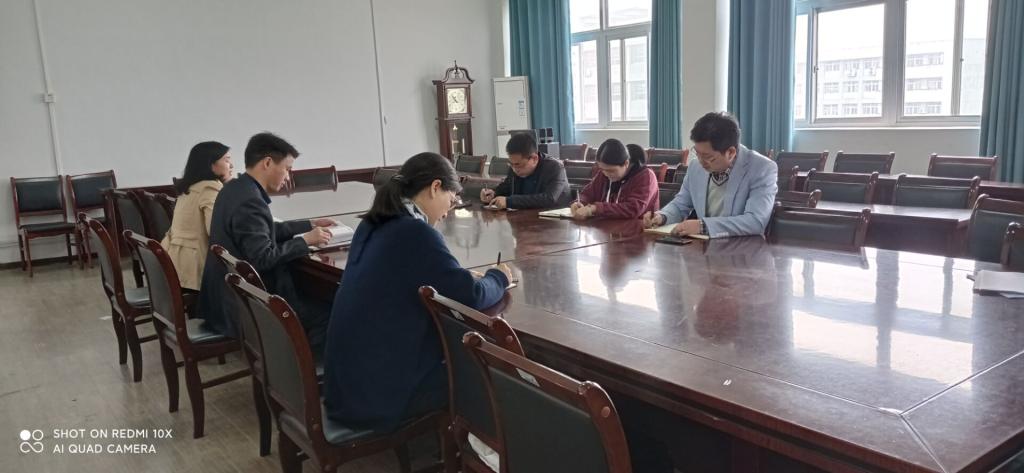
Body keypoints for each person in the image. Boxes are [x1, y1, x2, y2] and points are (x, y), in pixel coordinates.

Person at [324, 152, 513, 433]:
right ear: (435, 187)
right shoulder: (414, 232)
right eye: (451, 200)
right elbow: (471, 296)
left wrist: (456, 276)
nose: (448, 212)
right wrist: (499, 277)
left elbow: (418, 274)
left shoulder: (373, 223)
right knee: (490, 376)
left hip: (347, 388)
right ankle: (481, 450)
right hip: (379, 398)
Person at [198, 132, 335, 353]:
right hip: (244, 308)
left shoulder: (235, 188)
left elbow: (262, 231)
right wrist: (305, 240)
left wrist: (308, 224)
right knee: (332, 311)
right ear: (268, 163)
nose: (288, 177)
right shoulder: (250, 200)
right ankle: (296, 367)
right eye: (287, 169)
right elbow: (263, 258)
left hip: (225, 298)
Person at [642, 112, 777, 238]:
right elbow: (680, 204)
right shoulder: (695, 166)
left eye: (707, 157)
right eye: (697, 153)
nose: (701, 162)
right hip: (702, 247)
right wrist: (662, 216)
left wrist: (703, 226)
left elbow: (755, 221)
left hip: (742, 249)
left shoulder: (762, 169)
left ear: (730, 152)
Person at [161, 141, 233, 291]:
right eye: (227, 160)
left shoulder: (191, 187)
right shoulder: (210, 188)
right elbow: (216, 231)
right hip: (194, 270)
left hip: (176, 262)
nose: (231, 165)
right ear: (211, 165)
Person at [570, 139, 659, 219]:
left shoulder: (646, 176)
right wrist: (579, 203)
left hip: (639, 227)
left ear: (626, 163)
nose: (606, 174)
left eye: (611, 171)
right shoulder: (604, 173)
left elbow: (633, 209)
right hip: (607, 227)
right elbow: (587, 193)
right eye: (602, 169)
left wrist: (596, 208)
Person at [480, 133, 570, 209]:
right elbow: (507, 186)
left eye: (518, 165)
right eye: (511, 164)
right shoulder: (514, 165)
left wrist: (509, 201)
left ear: (534, 158)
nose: (514, 169)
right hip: (522, 218)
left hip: (552, 220)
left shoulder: (555, 168)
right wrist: (493, 193)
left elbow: (549, 198)